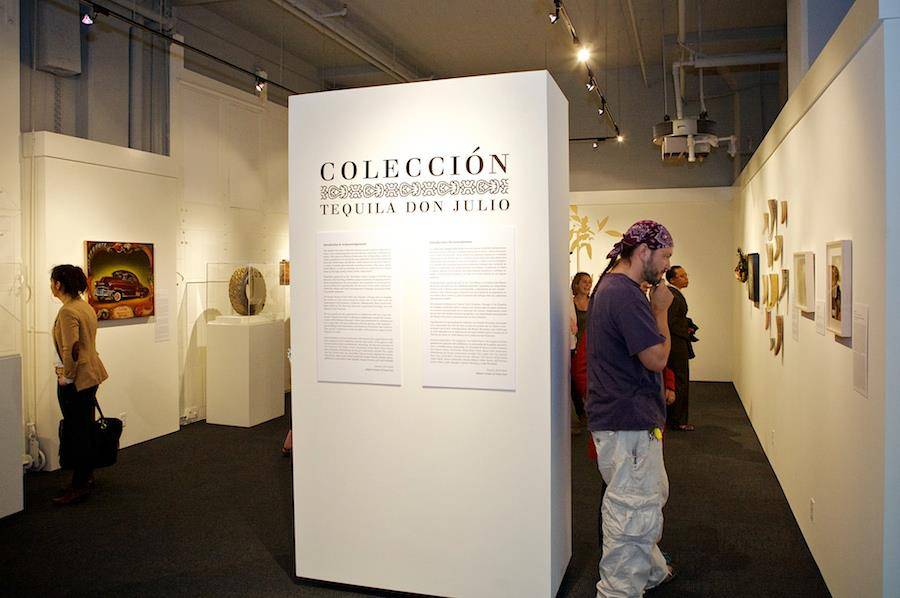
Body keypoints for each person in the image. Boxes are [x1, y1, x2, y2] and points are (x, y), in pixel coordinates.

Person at [586, 220, 676, 596]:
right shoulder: (624, 294)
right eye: (665, 256)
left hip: (624, 418)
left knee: (644, 497)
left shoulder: (611, 287)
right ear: (643, 252)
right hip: (628, 420)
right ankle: (618, 591)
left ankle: (650, 570)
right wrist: (661, 311)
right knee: (632, 511)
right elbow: (656, 358)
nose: (667, 265)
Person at [51, 264, 109, 505]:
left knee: (78, 431)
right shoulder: (84, 306)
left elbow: (71, 348)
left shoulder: (68, 311)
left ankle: (79, 485)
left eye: (52, 281)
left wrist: (68, 376)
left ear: (58, 284)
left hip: (78, 379)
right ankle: (86, 476)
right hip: (91, 374)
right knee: (84, 427)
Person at [665, 265, 697, 431]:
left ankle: (675, 418)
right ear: (672, 279)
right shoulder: (672, 295)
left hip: (676, 341)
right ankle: (677, 420)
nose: (686, 278)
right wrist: (685, 329)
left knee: (677, 378)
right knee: (680, 379)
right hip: (676, 343)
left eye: (686, 275)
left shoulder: (673, 294)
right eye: (682, 276)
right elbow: (669, 322)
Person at [569, 272, 592, 431]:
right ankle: (581, 414)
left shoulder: (594, 303)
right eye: (584, 282)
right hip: (574, 347)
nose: (587, 285)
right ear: (576, 284)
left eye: (589, 282)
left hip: (591, 347)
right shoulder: (570, 304)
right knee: (574, 382)